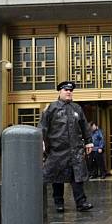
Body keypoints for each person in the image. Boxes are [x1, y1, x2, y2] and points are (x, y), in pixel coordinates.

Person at [39, 81, 94, 213]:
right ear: (60, 92)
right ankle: (59, 203)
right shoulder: (51, 108)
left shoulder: (77, 108)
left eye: (70, 90)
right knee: (57, 177)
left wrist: (89, 141)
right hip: (57, 149)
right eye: (66, 90)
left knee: (77, 176)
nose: (69, 92)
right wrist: (40, 141)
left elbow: (84, 126)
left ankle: (81, 202)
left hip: (75, 149)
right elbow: (43, 126)